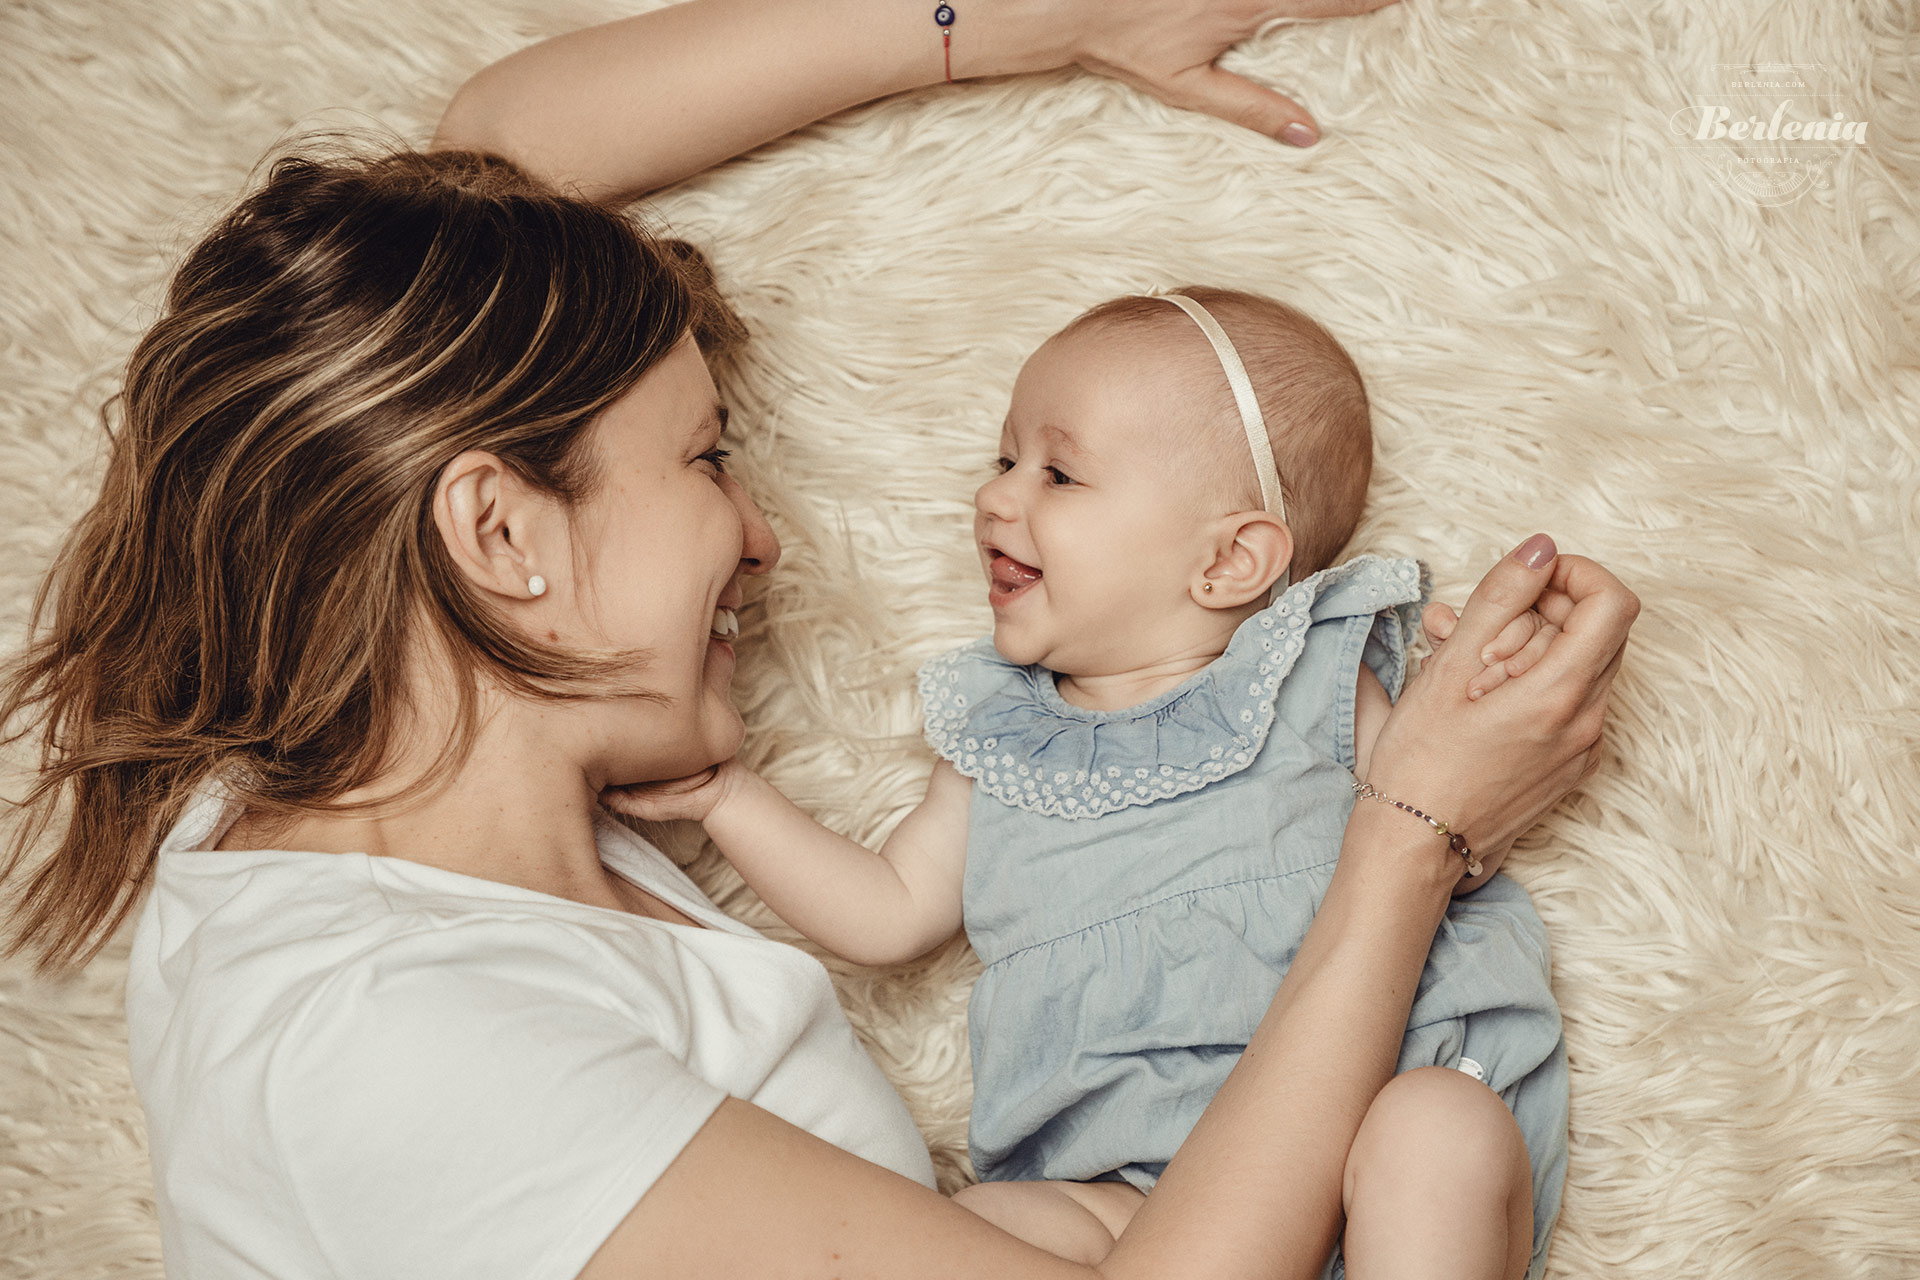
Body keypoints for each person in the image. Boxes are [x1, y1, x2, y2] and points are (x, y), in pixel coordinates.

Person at [0, 2, 1640, 1278]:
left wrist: (1042, 28)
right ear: (500, 532)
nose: (764, 538)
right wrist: (1413, 829)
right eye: (708, 459)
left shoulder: (366, 784)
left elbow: (503, 141)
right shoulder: (386, 1049)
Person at [605, 285, 1568, 1279]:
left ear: (1230, 559)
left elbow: (1448, 801)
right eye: (1003, 460)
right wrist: (728, 798)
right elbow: (886, 913)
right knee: (979, 1222)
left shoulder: (1314, 671)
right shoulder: (1003, 731)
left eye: (1059, 472)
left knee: (1441, 1127)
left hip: (1373, 1120)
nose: (997, 496)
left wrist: (1499, 673)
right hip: (1123, 1194)